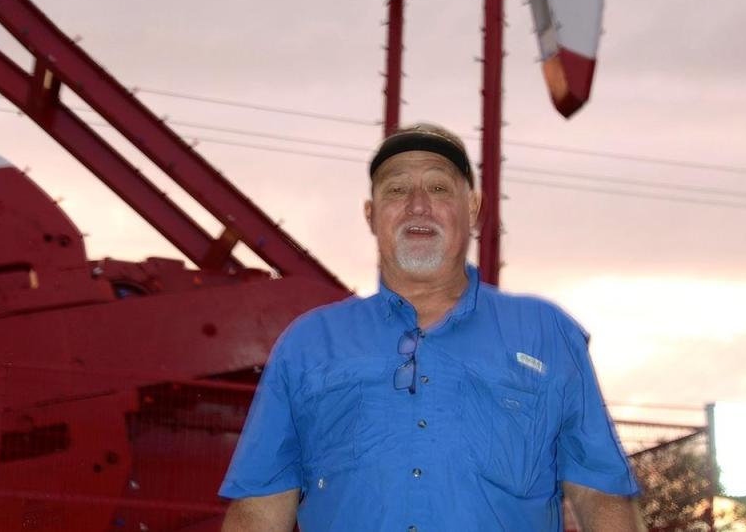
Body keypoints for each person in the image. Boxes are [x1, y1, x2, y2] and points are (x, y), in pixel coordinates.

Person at [219, 123, 644, 531]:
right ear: (371, 215)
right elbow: (260, 509)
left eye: (439, 188)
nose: (417, 204)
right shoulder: (307, 345)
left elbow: (599, 495)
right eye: (397, 190)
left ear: (472, 208)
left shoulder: (546, 334)